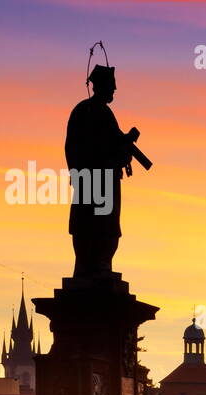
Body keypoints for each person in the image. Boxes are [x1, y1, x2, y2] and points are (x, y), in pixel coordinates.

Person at [66, 64, 142, 278]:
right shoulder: (92, 112)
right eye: (112, 86)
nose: (114, 90)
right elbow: (88, 147)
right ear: (102, 86)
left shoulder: (92, 112)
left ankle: (96, 267)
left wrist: (125, 143)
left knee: (100, 226)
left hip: (94, 180)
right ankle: (96, 267)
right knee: (98, 226)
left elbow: (110, 144)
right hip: (98, 181)